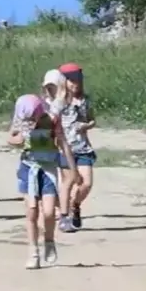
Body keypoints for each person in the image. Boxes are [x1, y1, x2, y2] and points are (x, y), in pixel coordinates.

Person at [8, 94, 78, 269]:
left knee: (48, 213)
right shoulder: (21, 120)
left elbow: (63, 144)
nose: (31, 121)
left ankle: (49, 241)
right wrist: (18, 140)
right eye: (28, 119)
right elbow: (11, 137)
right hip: (28, 169)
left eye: (33, 118)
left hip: (47, 170)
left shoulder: (52, 120)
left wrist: (73, 170)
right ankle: (33, 252)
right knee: (31, 213)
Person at [55, 63, 97, 232]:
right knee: (69, 181)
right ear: (63, 82)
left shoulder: (85, 100)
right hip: (65, 148)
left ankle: (76, 204)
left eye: (77, 80)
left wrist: (87, 126)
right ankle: (64, 217)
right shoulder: (59, 102)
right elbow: (51, 121)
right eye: (71, 81)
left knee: (86, 183)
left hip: (83, 147)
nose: (75, 84)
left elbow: (93, 120)